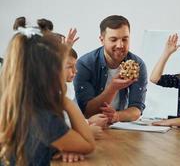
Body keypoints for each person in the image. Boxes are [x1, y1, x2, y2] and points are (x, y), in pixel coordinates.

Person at [0, 28, 95, 165]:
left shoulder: (15, 105)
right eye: (62, 65)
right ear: (49, 71)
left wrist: (63, 147)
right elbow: (88, 144)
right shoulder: (41, 116)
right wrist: (65, 101)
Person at [74, 15, 147, 124]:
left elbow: (137, 109)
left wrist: (116, 116)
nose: (120, 45)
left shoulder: (138, 64)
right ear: (102, 40)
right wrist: (113, 88)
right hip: (87, 124)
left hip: (118, 125)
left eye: (125, 39)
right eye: (113, 39)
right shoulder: (84, 64)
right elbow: (87, 111)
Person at [64, 48, 108, 140]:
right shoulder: (49, 94)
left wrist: (88, 122)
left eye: (75, 66)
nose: (75, 71)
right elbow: (54, 125)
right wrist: (87, 128)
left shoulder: (67, 89)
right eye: (69, 66)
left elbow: (66, 119)